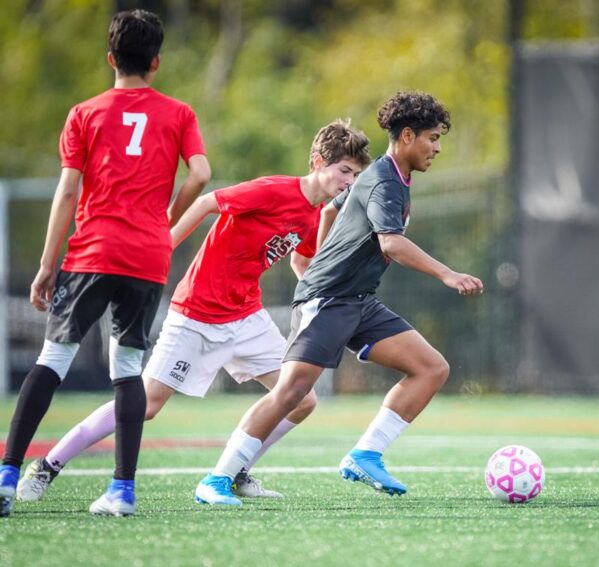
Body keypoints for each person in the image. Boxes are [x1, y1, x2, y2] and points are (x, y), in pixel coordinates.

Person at [15, 119, 371, 508]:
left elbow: (302, 263)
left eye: (355, 175)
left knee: (301, 399)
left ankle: (234, 472)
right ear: (318, 162)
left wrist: (322, 291)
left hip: (245, 315)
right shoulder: (273, 190)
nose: (349, 181)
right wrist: (162, 248)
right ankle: (48, 466)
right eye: (344, 171)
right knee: (146, 405)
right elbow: (205, 202)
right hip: (196, 314)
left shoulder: (314, 216)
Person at [192, 90, 484, 504]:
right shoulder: (383, 181)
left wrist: (325, 256)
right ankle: (217, 479)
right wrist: (447, 274)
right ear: (406, 136)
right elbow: (391, 244)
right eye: (432, 138)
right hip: (329, 301)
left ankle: (366, 453)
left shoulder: (388, 177)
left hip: (358, 300)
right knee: (291, 393)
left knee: (431, 367)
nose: (436, 147)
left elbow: (330, 211)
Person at [0, 10, 211, 518]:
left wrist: (47, 264)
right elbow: (201, 173)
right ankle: (122, 491)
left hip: (93, 251)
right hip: (147, 256)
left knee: (54, 359)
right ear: (156, 62)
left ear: (110, 58)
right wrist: (166, 221)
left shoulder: (85, 112)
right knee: (129, 369)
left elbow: (68, 189)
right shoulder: (179, 113)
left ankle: (6, 479)